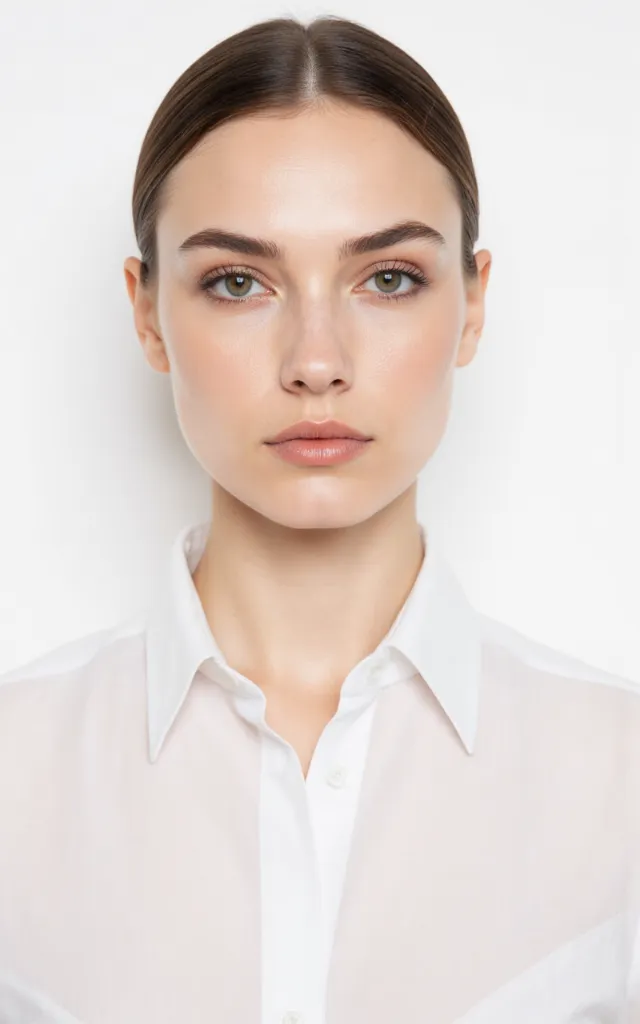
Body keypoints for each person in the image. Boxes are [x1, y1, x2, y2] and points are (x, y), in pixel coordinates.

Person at [0, 13, 637, 1024]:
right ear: (145, 311)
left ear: (471, 304)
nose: (315, 359)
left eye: (387, 278)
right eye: (236, 282)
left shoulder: (620, 783)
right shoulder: (14, 776)